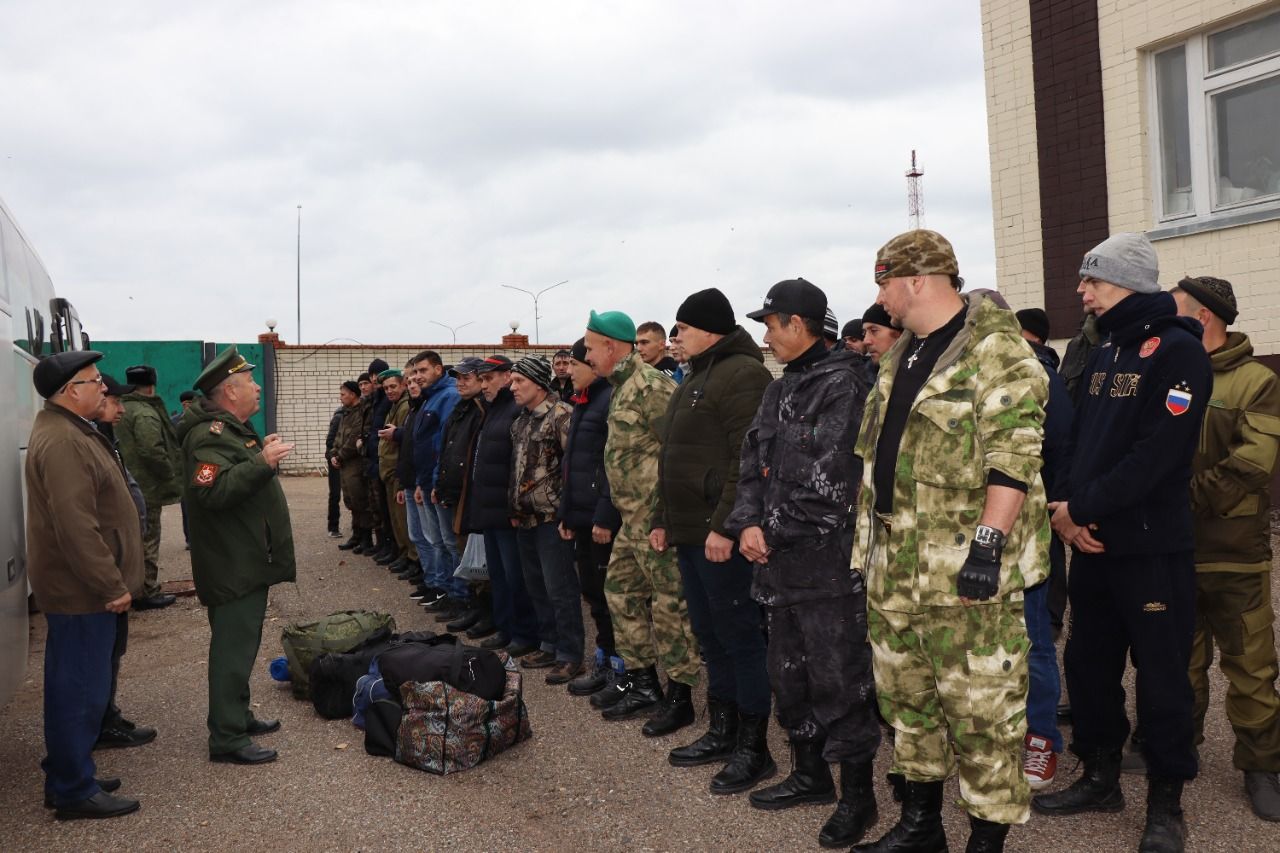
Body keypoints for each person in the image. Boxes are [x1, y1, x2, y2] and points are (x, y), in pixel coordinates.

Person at [851, 229, 1050, 852]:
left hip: (965, 574)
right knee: (908, 705)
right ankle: (921, 826)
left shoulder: (997, 350)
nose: (879, 297)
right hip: (896, 565)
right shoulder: (902, 353)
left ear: (916, 279)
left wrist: (988, 546)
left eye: (884, 281)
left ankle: (986, 842)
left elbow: (1014, 456)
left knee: (983, 712)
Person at [1032, 234, 1212, 853]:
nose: (1082, 293)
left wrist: (1080, 506)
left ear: (1130, 285)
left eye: (1094, 283)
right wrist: (1067, 510)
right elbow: (1081, 440)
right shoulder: (1108, 350)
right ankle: (1102, 774)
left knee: (1162, 676)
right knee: (1088, 664)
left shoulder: (1180, 352)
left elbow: (1158, 455)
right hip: (1093, 542)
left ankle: (1166, 801)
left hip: (1151, 547)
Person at [727, 278, 881, 847]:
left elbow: (834, 486)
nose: (765, 337)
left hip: (827, 572)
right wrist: (745, 522)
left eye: (770, 325)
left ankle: (858, 799)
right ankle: (811, 775)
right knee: (789, 680)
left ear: (797, 323)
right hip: (777, 569)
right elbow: (751, 463)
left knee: (840, 683)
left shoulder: (844, 385)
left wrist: (766, 530)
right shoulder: (780, 388)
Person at [653, 287, 775, 790]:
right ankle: (722, 729)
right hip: (688, 531)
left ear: (706, 329)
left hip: (717, 535)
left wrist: (725, 526)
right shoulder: (694, 377)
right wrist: (663, 517)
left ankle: (754, 746)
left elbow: (745, 460)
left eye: (680, 328)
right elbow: (673, 457)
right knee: (710, 635)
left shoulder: (743, 373)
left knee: (740, 637)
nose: (675, 338)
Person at [1172, 276, 1280, 821]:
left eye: (1177, 311)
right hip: (1175, 554)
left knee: (1252, 669)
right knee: (1178, 665)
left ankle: (1262, 767)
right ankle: (1178, 753)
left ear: (1203, 318)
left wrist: (1171, 500)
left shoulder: (1258, 381)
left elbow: (1251, 466)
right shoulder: (1171, 375)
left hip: (1234, 554)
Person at [26, 351, 144, 819]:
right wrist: (109, 584)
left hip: (82, 591)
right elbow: (75, 525)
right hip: (83, 593)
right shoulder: (63, 441)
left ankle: (70, 773)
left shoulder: (70, 430)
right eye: (95, 381)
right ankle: (74, 789)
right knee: (78, 691)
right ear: (71, 391)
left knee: (76, 686)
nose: (103, 387)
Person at [583, 310, 700, 734]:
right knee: (620, 594)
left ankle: (681, 695)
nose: (587, 355)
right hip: (629, 521)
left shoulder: (651, 386)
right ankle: (642, 681)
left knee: (670, 608)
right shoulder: (620, 387)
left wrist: (666, 516)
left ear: (612, 347)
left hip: (654, 522)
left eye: (591, 348)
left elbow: (679, 451)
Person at [177, 345, 294, 765]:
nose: (258, 386)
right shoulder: (207, 437)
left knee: (243, 644)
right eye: (250, 381)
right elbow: (211, 491)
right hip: (232, 563)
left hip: (243, 557)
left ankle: (238, 715)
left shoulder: (231, 430)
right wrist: (262, 461)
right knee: (232, 649)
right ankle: (226, 737)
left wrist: (261, 456)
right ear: (229, 391)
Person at [1013, 306, 1074, 791]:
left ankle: (1043, 739)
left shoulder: (1040, 377)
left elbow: (1061, 450)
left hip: (1030, 535)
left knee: (1035, 644)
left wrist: (1054, 511)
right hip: (973, 540)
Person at [92, 374, 160, 754]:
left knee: (112, 650)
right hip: (105, 569)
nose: (119, 408)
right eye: (113, 401)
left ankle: (106, 713)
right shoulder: (84, 439)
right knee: (98, 655)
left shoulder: (102, 436)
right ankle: (99, 722)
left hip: (116, 563)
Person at [508, 355, 584, 683]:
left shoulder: (562, 416)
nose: (512, 387)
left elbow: (574, 470)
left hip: (552, 519)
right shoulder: (521, 420)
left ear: (538, 383)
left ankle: (570, 654)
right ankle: (549, 642)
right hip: (524, 518)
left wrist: (569, 514)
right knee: (536, 586)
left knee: (560, 589)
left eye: (518, 381)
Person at [557, 337, 623, 696]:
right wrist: (566, 513)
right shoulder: (582, 401)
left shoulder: (608, 399)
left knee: (610, 597)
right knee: (593, 595)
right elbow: (572, 466)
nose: (567, 370)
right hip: (580, 515)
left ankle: (622, 670)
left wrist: (604, 515)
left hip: (600, 519)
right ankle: (604, 658)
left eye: (575, 364)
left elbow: (609, 465)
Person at [467, 355, 539, 656]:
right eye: (481, 379)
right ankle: (506, 628)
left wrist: (513, 508)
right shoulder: (493, 410)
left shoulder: (514, 411)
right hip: (490, 509)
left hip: (507, 511)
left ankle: (524, 634)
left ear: (507, 376)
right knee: (497, 575)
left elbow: (518, 466)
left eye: (488, 378)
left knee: (515, 577)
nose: (484, 385)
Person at [408, 352, 470, 618]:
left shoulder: (448, 396)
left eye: (423, 370)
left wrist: (435, 482)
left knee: (449, 542)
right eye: (414, 373)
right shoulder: (430, 397)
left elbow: (444, 446)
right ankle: (444, 589)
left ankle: (460, 595)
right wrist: (421, 483)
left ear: (438, 369)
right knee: (439, 541)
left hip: (439, 482)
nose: (418, 377)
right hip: (426, 480)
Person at [432, 358, 491, 636]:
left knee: (476, 558)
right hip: (453, 492)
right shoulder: (460, 408)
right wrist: (440, 484)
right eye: (458, 377)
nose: (461, 381)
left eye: (467, 377)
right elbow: (447, 450)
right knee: (461, 551)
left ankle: (482, 611)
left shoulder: (482, 409)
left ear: (482, 379)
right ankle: (471, 606)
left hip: (472, 495)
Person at [116, 364, 182, 610]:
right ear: (152, 383)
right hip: (147, 487)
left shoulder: (122, 407)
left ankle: (134, 587)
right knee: (149, 538)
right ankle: (147, 590)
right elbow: (152, 449)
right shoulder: (145, 413)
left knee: (134, 538)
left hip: (127, 483)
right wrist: (169, 474)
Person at [375, 368, 414, 570]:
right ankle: (403, 553)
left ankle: (411, 557)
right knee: (397, 520)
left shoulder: (405, 406)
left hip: (398, 471)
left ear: (403, 385)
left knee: (403, 520)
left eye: (393, 386)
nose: (389, 391)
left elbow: (403, 442)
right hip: (389, 472)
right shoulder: (395, 405)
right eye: (386, 388)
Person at [332, 381, 377, 553]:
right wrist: (333, 454)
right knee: (351, 501)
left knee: (360, 501)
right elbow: (339, 436)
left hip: (356, 464)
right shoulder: (345, 413)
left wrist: (340, 455)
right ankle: (356, 536)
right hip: (345, 465)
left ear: (352, 394)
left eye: (343, 394)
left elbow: (354, 439)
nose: (341, 397)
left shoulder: (360, 412)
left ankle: (366, 539)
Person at [324, 395, 344, 538]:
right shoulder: (339, 416)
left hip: (349, 459)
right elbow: (330, 441)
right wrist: (333, 457)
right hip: (335, 460)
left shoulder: (358, 414)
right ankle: (333, 527)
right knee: (335, 493)